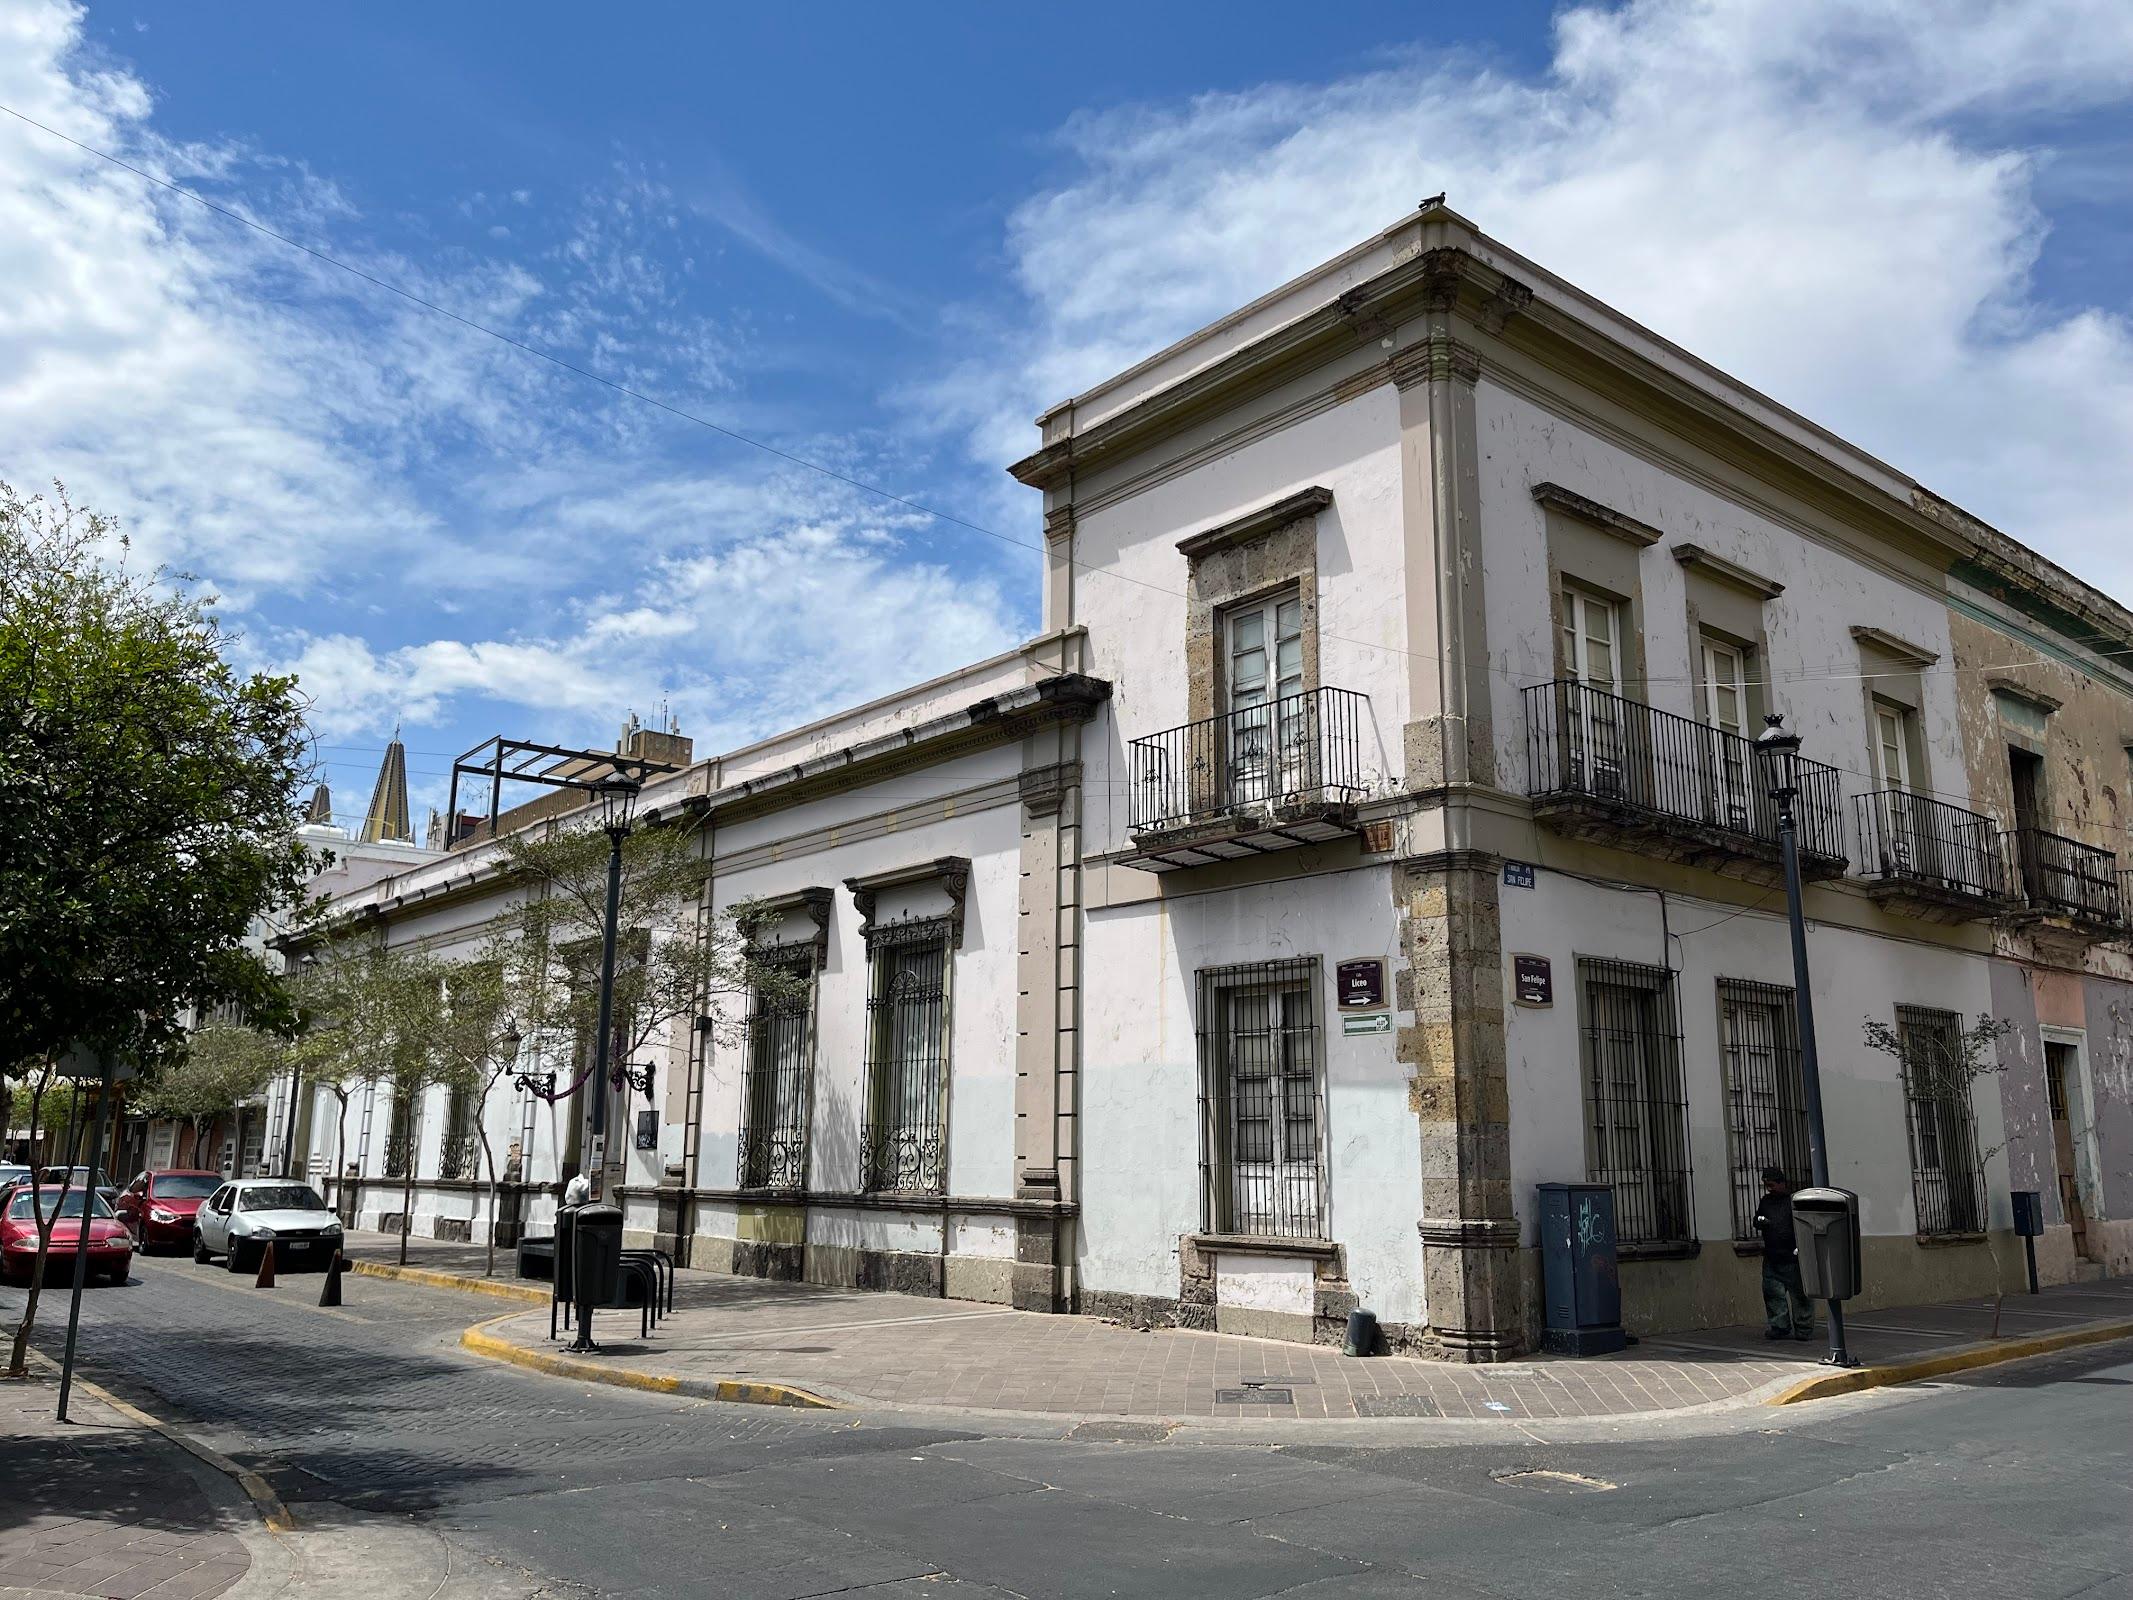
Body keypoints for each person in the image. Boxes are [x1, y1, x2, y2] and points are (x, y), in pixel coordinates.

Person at [1753, 1166, 1813, 1341]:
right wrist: (1760, 1221)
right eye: (1766, 1186)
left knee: (1800, 1295)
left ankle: (1803, 1328)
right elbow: (1757, 1220)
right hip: (1772, 1256)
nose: (1769, 1189)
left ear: (1781, 1183)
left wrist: (1799, 1247)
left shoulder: (1793, 1202)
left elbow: (1803, 1225)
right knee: (1773, 1294)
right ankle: (1779, 1326)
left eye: (1771, 1185)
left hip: (1793, 1257)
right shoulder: (1765, 1202)